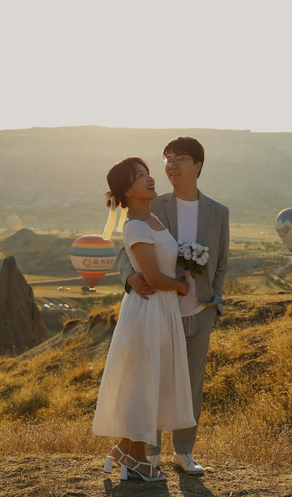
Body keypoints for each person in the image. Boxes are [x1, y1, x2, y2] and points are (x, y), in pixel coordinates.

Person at [118, 136, 229, 475]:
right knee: (152, 380)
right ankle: (148, 453)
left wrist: (213, 302)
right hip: (159, 309)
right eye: (167, 159)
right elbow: (126, 248)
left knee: (191, 384)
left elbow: (221, 262)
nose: (171, 165)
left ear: (198, 165)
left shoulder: (218, 212)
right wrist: (129, 278)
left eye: (180, 158)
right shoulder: (154, 205)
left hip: (200, 312)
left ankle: (184, 452)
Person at [92, 156, 196, 482]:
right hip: (150, 309)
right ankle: (136, 458)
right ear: (127, 189)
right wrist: (180, 284)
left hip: (159, 309)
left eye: (148, 173)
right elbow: (151, 276)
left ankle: (124, 449)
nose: (150, 178)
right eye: (141, 176)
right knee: (144, 379)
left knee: (148, 377)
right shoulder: (136, 225)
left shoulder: (151, 220)